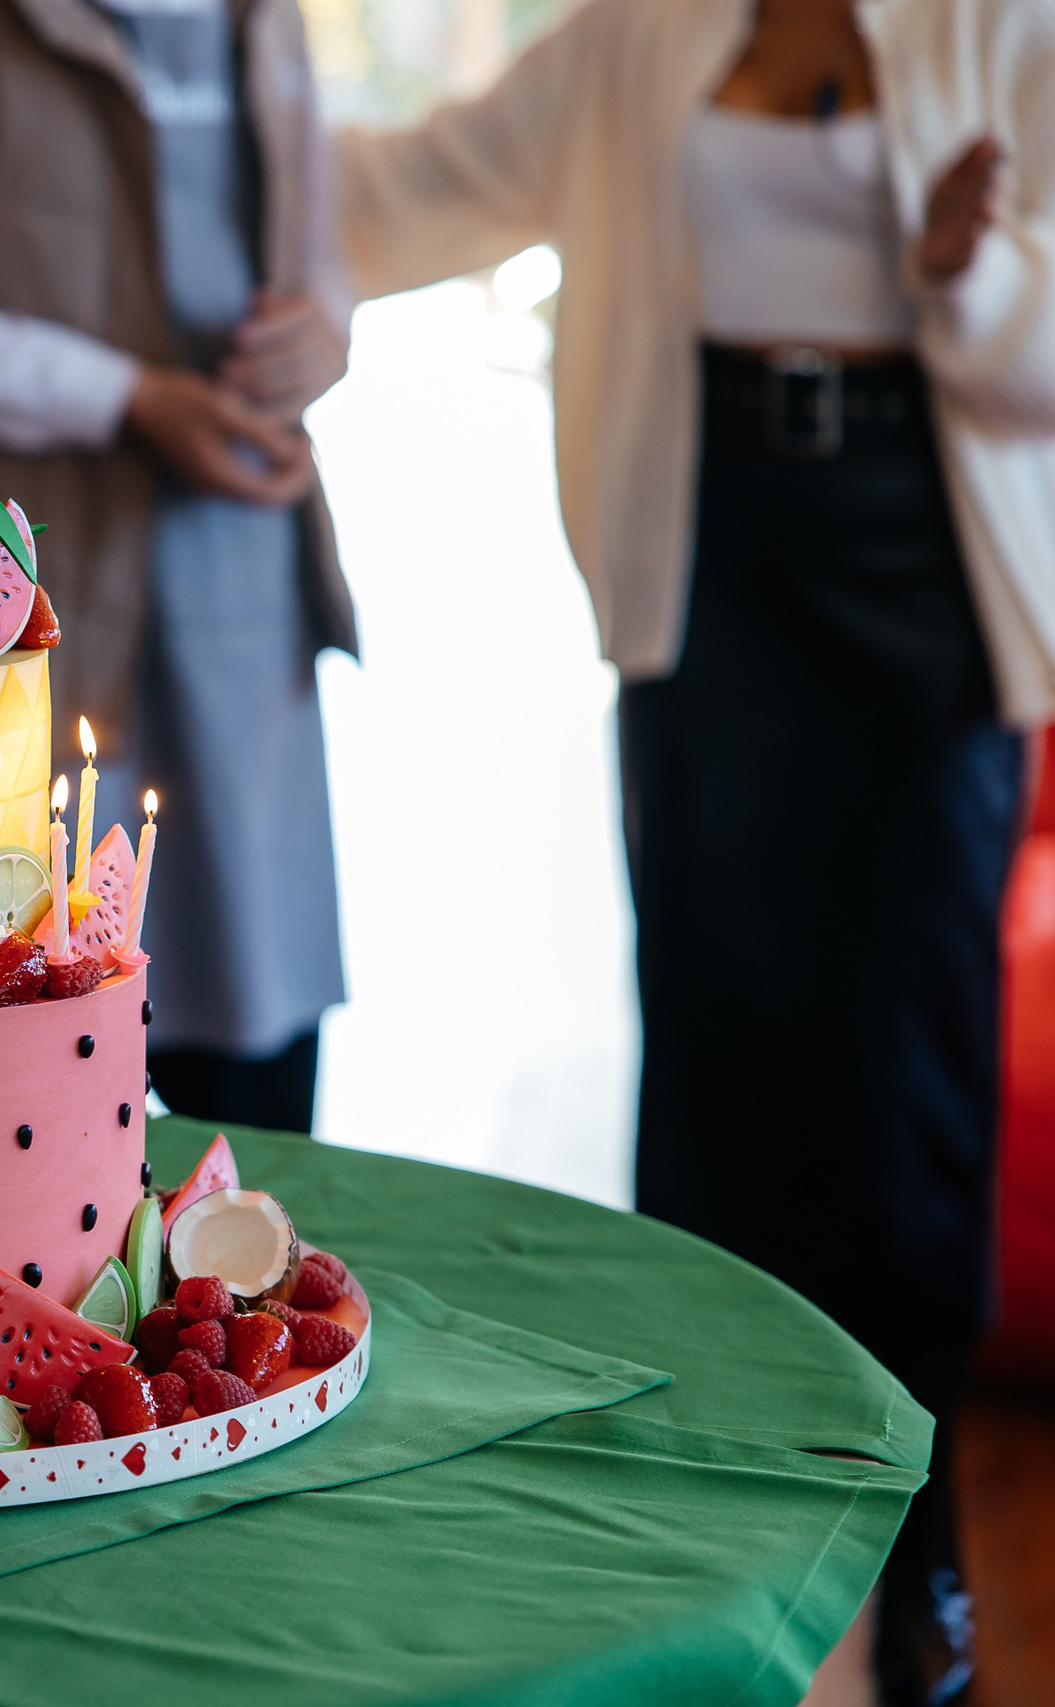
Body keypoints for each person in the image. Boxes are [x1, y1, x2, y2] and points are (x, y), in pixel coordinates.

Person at [335, 0, 1055, 1697]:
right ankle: (725, 1539)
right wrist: (200, 152)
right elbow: (415, 189)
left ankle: (922, 1537)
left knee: (916, 1081)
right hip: (710, 564)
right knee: (721, 1054)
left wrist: (969, 270)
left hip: (926, 576)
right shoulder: (641, 34)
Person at [0, 0, 359, 1133]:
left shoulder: (269, 18)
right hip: (4, 588)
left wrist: (327, 324)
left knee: (255, 1092)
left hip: (236, 578)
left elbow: (319, 247)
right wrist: (122, 396)